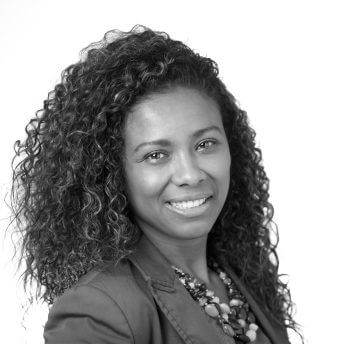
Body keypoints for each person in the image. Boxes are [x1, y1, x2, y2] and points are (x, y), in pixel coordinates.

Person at [11, 25, 300, 344]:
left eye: (205, 144)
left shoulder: (244, 277)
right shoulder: (98, 312)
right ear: (111, 172)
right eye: (156, 154)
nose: (190, 174)